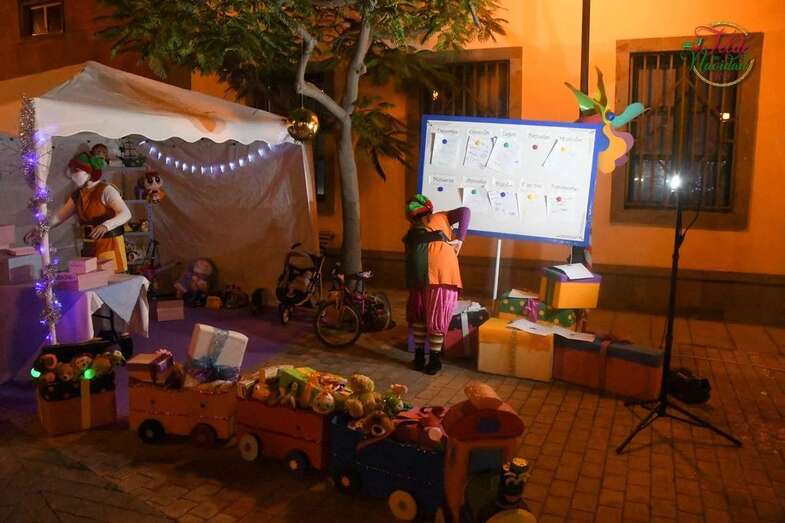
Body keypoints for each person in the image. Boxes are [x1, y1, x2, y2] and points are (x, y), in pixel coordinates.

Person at [403, 194, 470, 375]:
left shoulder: (414, 229)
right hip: (440, 273)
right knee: (435, 315)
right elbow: (465, 211)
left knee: (419, 314)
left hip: (421, 273)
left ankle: (420, 358)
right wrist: (460, 239)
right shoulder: (441, 217)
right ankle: (433, 360)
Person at [50, 152, 131, 272]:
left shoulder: (106, 190)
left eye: (76, 170)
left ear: (89, 172)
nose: (73, 175)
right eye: (72, 171)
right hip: (89, 246)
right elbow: (59, 217)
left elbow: (126, 214)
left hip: (109, 245)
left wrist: (106, 225)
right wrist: (41, 228)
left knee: (110, 278)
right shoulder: (77, 195)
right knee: (91, 278)